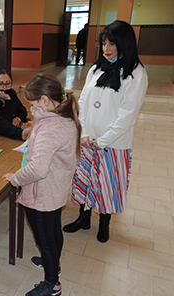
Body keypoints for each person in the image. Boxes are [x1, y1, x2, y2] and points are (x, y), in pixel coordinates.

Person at [63, 20, 148, 243]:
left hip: (113, 143)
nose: (107, 49)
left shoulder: (136, 74)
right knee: (84, 180)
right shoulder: (95, 68)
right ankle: (83, 217)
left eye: (113, 43)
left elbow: (127, 116)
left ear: (126, 44)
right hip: (88, 140)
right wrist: (84, 134)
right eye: (104, 43)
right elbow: (82, 102)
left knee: (107, 185)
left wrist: (102, 141)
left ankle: (104, 223)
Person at [3, 74, 81, 296]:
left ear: (45, 101)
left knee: (45, 240)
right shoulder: (65, 117)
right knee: (53, 231)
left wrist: (15, 178)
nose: (31, 108)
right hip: (55, 190)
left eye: (32, 104)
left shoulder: (49, 127)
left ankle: (52, 285)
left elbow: (38, 169)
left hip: (42, 194)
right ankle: (53, 264)